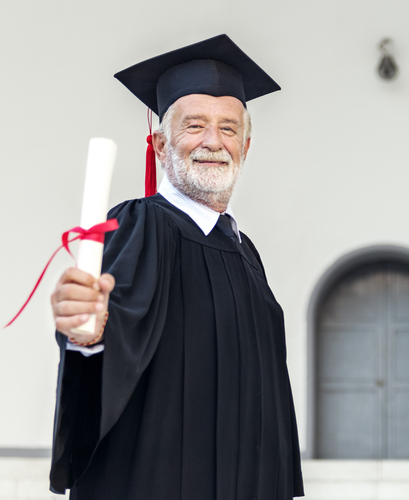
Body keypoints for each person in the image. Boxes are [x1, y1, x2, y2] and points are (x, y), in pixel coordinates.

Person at [46, 34, 304, 499]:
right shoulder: (140, 225)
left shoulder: (245, 253)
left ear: (246, 147)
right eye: (195, 125)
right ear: (161, 145)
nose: (213, 141)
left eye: (228, 129)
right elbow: (107, 332)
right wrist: (89, 334)